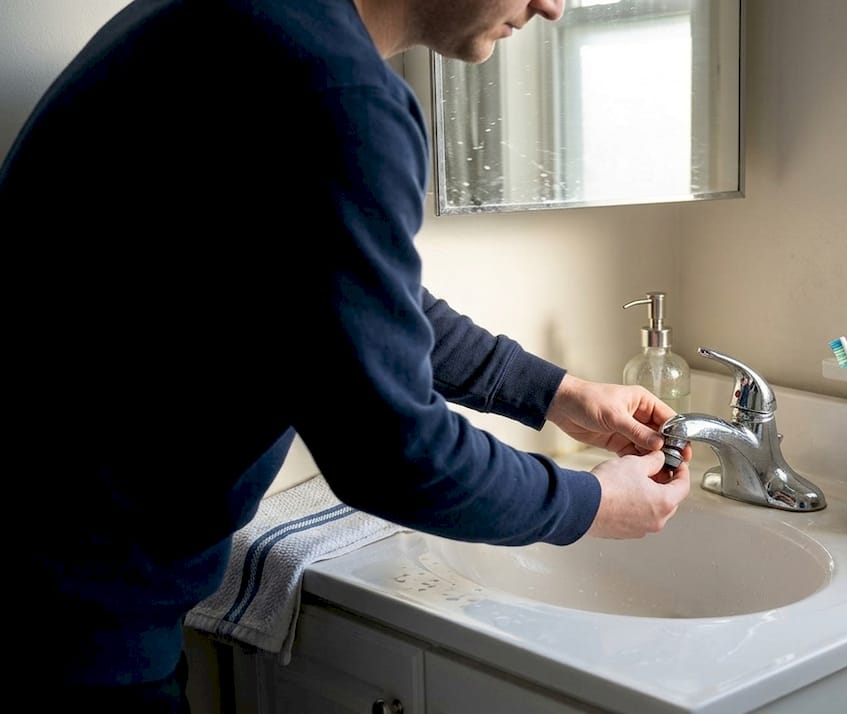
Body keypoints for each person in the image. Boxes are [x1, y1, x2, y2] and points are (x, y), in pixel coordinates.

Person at [0, 0, 692, 709]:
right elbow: (397, 456)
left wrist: (553, 391)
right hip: (70, 629)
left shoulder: (241, 24)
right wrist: (589, 503)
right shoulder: (335, 90)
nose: (552, 6)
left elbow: (334, 295)